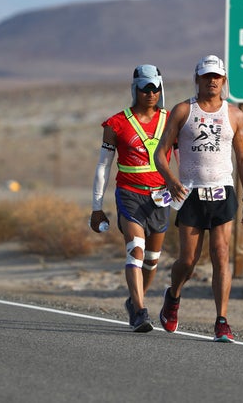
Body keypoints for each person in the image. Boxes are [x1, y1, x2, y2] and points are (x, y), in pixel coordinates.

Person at [154, 54, 243, 343]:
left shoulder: (234, 115)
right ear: (197, 79)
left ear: (224, 81)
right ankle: (173, 296)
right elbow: (160, 154)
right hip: (189, 192)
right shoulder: (183, 111)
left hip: (223, 191)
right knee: (188, 259)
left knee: (221, 255)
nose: (212, 81)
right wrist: (172, 182)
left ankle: (222, 320)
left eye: (217, 77)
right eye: (207, 76)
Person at [90, 64, 173, 333]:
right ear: (134, 89)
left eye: (155, 88)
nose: (150, 93)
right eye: (144, 88)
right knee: (135, 250)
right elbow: (103, 166)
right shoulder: (116, 124)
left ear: (161, 89)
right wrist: (97, 208)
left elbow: (185, 159)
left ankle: (134, 301)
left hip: (161, 198)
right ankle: (139, 311)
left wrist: (186, 192)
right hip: (129, 195)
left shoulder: (171, 120)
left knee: (152, 259)